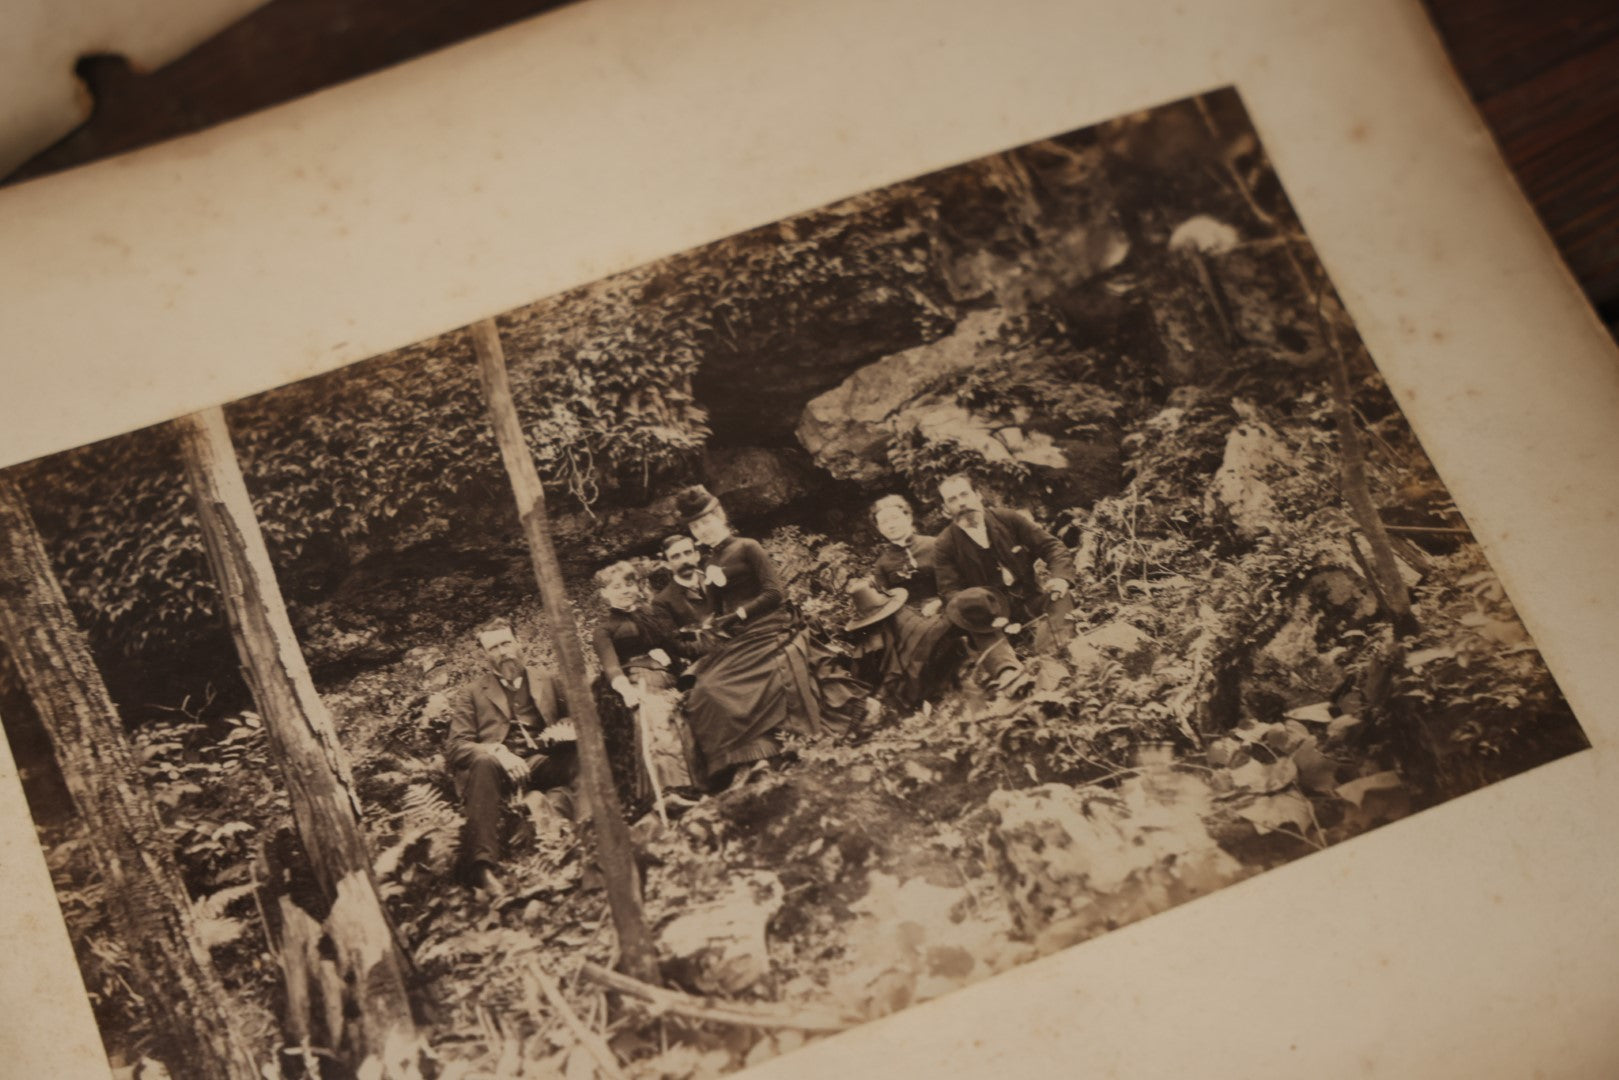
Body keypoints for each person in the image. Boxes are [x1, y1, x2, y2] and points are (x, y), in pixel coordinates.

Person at [675, 485, 869, 787]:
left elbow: (775, 593)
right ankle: (748, 759)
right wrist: (709, 624)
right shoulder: (709, 563)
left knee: (735, 685)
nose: (703, 530)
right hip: (740, 636)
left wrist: (739, 615)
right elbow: (716, 609)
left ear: (720, 516)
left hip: (770, 625)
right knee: (705, 691)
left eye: (707, 521)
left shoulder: (748, 547)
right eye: (696, 526)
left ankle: (767, 751)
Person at [444, 621, 576, 896]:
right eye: (494, 648)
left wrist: (563, 729)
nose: (503, 652)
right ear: (485, 655)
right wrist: (496, 751)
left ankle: (588, 830)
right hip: (497, 771)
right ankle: (482, 868)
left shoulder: (547, 679)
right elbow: (457, 746)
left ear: (519, 644)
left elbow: (575, 715)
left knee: (581, 756)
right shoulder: (471, 693)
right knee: (482, 762)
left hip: (543, 760)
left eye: (506, 644)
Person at [590, 560, 699, 820]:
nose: (625, 590)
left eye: (629, 583)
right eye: (616, 586)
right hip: (636, 679)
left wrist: (670, 657)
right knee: (655, 713)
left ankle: (703, 783)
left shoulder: (653, 615)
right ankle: (670, 789)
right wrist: (626, 690)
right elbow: (611, 667)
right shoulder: (604, 629)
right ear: (605, 593)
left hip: (668, 677)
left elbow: (677, 647)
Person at [931, 473, 1078, 649]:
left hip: (1031, 600)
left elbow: (1052, 547)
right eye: (952, 499)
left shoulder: (1008, 519)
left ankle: (1051, 649)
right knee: (979, 633)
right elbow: (949, 592)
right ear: (945, 508)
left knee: (1061, 596)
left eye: (965, 494)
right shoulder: (944, 545)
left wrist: (1060, 578)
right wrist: (978, 608)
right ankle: (1010, 665)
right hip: (991, 619)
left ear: (978, 495)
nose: (962, 503)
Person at [843, 579, 965, 714]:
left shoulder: (880, 634)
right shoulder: (900, 615)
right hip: (938, 647)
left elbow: (890, 668)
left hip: (926, 662)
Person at [870, 494, 940, 611]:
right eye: (884, 522)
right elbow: (885, 605)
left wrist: (939, 602)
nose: (891, 525)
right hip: (910, 622)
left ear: (908, 518)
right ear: (879, 528)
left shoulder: (934, 545)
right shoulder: (881, 565)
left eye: (895, 518)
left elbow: (954, 583)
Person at [652, 533, 719, 634]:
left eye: (687, 553)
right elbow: (676, 641)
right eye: (675, 557)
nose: (684, 560)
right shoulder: (661, 602)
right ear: (667, 564)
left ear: (697, 556)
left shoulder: (716, 578)